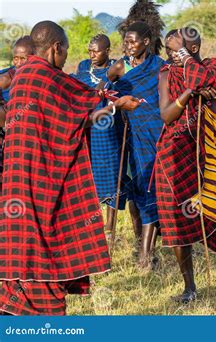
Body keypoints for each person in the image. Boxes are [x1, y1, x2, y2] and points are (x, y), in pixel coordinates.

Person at [0, 21, 140, 315]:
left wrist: (110, 103)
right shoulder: (46, 77)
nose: (66, 58)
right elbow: (81, 108)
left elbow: (73, 112)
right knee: (43, 250)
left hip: (17, 184)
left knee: (20, 250)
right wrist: (118, 104)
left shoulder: (23, 76)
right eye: (65, 51)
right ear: (56, 48)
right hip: (38, 185)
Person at [156, 28, 216, 306]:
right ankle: (189, 288)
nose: (172, 54)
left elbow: (210, 82)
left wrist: (192, 72)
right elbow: (167, 114)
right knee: (178, 227)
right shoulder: (165, 74)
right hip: (174, 154)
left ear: (193, 48)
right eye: (169, 49)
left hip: (208, 153)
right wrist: (188, 91)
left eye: (178, 49)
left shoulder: (212, 65)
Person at [105, 21, 165, 269]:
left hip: (160, 135)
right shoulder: (120, 66)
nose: (128, 46)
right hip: (134, 137)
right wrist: (117, 102)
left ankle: (150, 251)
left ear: (147, 42)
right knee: (142, 188)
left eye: (132, 41)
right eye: (125, 42)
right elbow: (104, 90)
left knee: (160, 188)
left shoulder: (160, 67)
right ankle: (143, 251)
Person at [72, 34, 135, 244]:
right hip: (88, 128)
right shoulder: (83, 67)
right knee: (89, 176)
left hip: (109, 130)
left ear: (107, 51)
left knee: (112, 174)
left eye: (96, 51)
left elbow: (124, 95)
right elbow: (80, 91)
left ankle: (110, 227)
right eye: (90, 50)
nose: (92, 55)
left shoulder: (119, 70)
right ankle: (92, 223)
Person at [0, 36, 35, 192]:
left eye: (23, 59)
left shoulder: (38, 77)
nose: (19, 63)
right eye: (16, 58)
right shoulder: (8, 77)